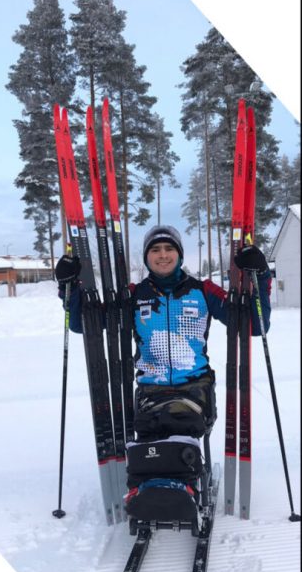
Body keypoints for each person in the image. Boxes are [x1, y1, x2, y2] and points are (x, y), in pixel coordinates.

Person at [56, 224, 272, 523]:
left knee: (180, 423)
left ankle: (180, 488)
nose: (162, 255)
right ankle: (153, 491)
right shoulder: (134, 295)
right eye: (155, 250)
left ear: (179, 254)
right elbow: (83, 323)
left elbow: (255, 325)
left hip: (194, 388)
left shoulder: (203, 291)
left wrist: (261, 276)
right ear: (146, 257)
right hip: (150, 391)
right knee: (149, 433)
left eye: (169, 248)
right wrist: (69, 286)